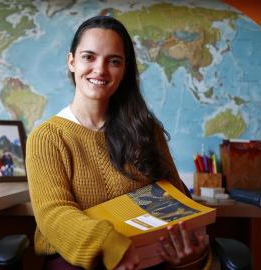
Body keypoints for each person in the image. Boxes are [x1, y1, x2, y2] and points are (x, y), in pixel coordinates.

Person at [26, 16, 210, 270]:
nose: (100, 70)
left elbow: (176, 197)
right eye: (89, 57)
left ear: (124, 70)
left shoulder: (146, 129)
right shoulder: (48, 137)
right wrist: (110, 245)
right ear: (71, 61)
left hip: (151, 259)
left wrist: (189, 255)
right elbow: (53, 214)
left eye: (113, 61)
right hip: (84, 263)